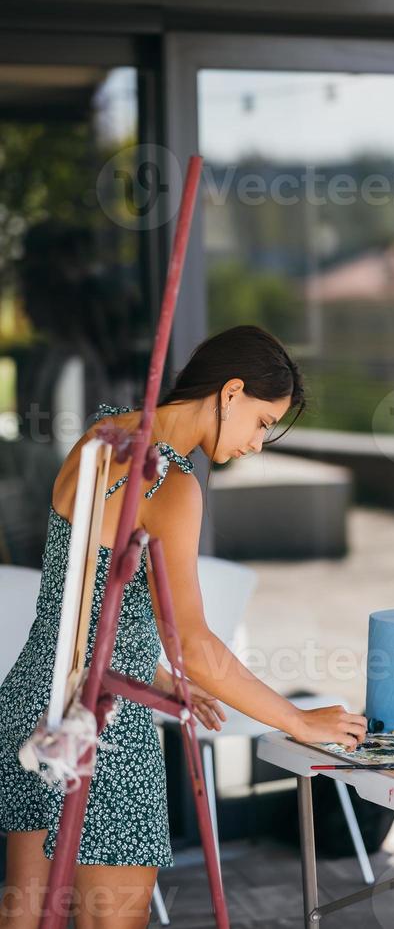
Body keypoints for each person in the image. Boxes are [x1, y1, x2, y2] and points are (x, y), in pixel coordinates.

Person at [0, 324, 367, 928]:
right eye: (261, 422)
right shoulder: (171, 483)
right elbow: (194, 643)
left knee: (26, 915)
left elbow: (85, 595)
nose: (257, 443)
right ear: (230, 393)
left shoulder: (105, 435)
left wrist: (155, 670)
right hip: (104, 725)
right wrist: (298, 719)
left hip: (34, 700)